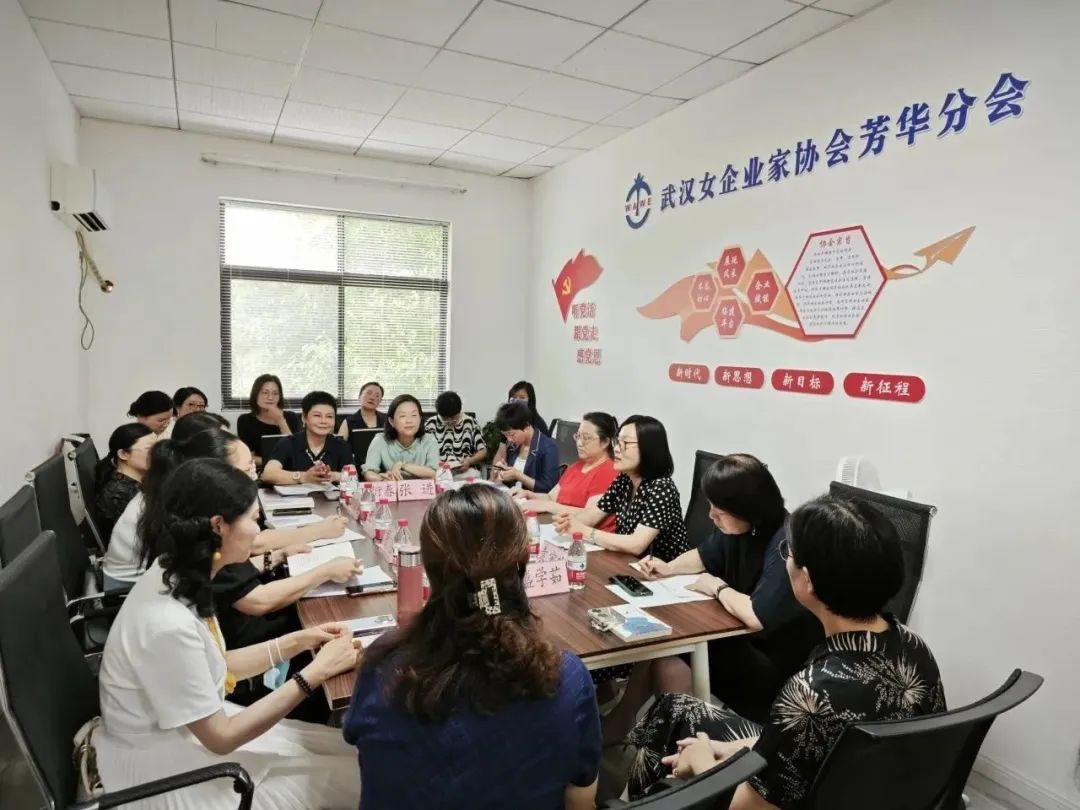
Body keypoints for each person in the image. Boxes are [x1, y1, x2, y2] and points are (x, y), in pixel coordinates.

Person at [624, 495, 947, 809]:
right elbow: (813, 744)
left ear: (808, 580)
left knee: (675, 742)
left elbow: (745, 807)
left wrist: (701, 760)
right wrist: (732, 748)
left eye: (788, 553)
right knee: (674, 708)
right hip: (870, 790)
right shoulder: (915, 647)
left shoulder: (810, 692)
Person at [88, 458, 362, 809]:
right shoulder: (167, 624)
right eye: (252, 518)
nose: (258, 529)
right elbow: (221, 739)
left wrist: (300, 641)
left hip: (189, 733)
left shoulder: (176, 571)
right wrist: (315, 673)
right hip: (167, 773)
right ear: (219, 525)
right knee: (367, 774)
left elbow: (217, 663)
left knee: (353, 749)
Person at [343, 485, 601, 810]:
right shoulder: (568, 678)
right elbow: (580, 801)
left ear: (427, 568)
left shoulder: (384, 664)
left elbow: (368, 755)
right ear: (521, 562)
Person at [639, 454, 822, 723]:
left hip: (774, 662)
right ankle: (639, 723)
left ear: (747, 508)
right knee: (660, 644)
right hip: (741, 637)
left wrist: (717, 587)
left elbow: (757, 616)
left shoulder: (785, 542)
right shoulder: (741, 528)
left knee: (670, 647)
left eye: (719, 511)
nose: (711, 515)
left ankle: (686, 734)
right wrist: (669, 567)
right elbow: (703, 556)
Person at [554, 415, 688, 561]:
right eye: (617, 441)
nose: (616, 449)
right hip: (628, 562)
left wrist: (585, 531)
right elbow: (594, 514)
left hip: (662, 569)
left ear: (648, 449)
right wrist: (568, 522)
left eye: (625, 443)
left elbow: (636, 544)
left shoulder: (662, 488)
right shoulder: (624, 479)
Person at [519, 411, 618, 530]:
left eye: (586, 438)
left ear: (605, 442)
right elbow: (551, 497)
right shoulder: (575, 467)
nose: (579, 443)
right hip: (561, 528)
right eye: (578, 436)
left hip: (587, 536)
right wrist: (529, 495)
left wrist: (549, 506)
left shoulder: (609, 471)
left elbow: (589, 516)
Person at [261, 392, 355, 486]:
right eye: (317, 415)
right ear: (304, 417)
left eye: (329, 416)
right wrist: (303, 477)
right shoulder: (288, 443)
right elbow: (268, 474)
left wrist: (333, 476)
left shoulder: (341, 445)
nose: (323, 421)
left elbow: (353, 477)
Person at [94, 424, 156, 540]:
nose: (158, 453)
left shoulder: (136, 481)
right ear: (123, 454)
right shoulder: (119, 494)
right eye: (150, 449)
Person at [362, 394, 439, 482]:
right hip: (393, 489)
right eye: (402, 416)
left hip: (422, 490)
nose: (409, 421)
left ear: (420, 419)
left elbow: (434, 473)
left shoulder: (429, 440)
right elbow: (368, 472)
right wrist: (383, 480)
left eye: (414, 415)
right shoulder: (380, 440)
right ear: (391, 421)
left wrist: (402, 465)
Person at [489, 400, 560, 493]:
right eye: (505, 435)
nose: (509, 439)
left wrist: (518, 475)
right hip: (513, 496)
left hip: (534, 500)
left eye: (512, 434)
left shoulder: (548, 448)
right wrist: (504, 471)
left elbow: (548, 488)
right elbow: (512, 481)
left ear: (526, 427)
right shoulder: (513, 446)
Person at [236, 374, 302, 466]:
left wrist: (281, 420)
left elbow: (296, 451)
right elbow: (248, 457)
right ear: (256, 395)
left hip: (289, 468)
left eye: (275, 393)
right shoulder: (245, 420)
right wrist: (274, 463)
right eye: (265, 393)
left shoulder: (291, 417)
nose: (270, 398)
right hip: (260, 469)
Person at [424, 390, 486, 476]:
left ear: (459, 411)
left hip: (464, 470)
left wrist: (469, 461)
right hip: (438, 471)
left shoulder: (470, 423)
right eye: (445, 419)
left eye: (453, 418)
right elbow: (422, 451)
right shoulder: (430, 424)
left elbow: (483, 451)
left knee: (473, 475)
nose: (449, 422)